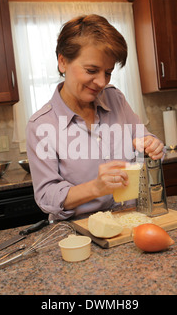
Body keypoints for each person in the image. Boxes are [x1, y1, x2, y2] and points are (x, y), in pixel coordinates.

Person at [26, 14, 164, 221]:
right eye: (92, 70)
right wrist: (96, 187)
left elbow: (145, 142)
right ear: (62, 62)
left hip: (131, 221)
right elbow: (47, 197)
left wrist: (152, 146)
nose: (101, 82)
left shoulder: (115, 99)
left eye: (108, 72)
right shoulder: (42, 125)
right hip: (80, 235)